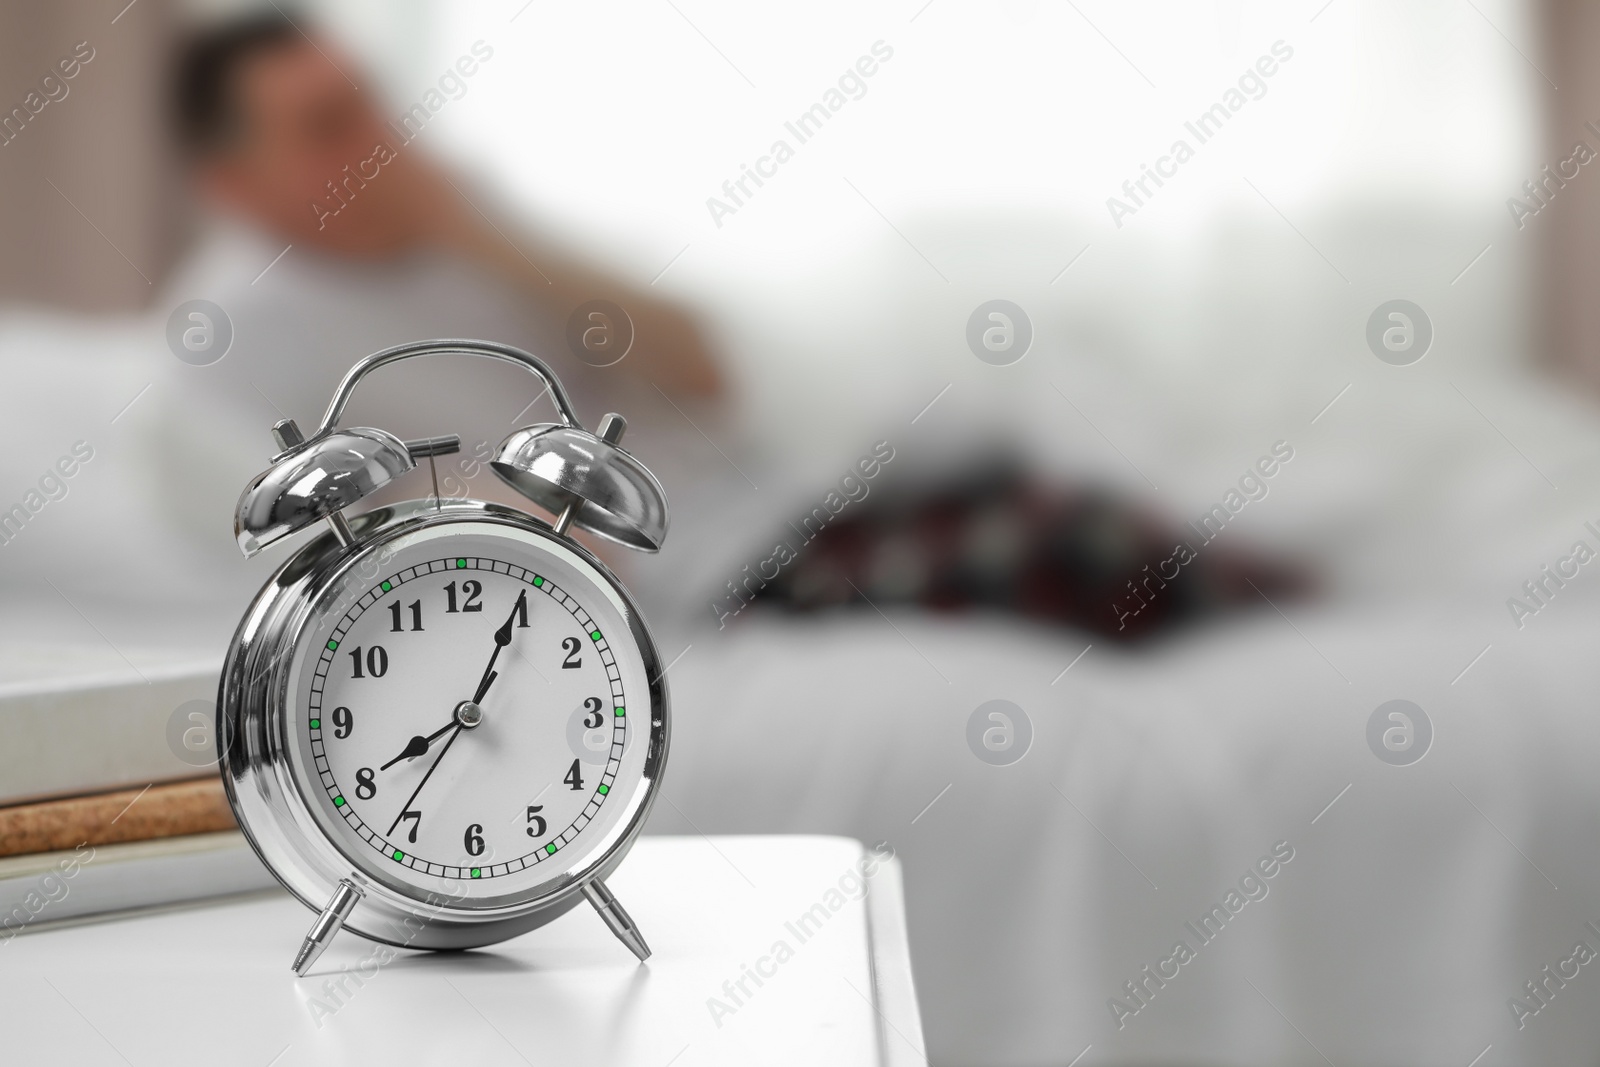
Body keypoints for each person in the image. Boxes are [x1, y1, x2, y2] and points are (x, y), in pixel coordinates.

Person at [168, 12, 722, 403]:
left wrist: (480, 240)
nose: (381, 141)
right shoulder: (231, 337)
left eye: (370, 101)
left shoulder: (462, 201)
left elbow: (704, 373)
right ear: (234, 184)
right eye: (328, 126)